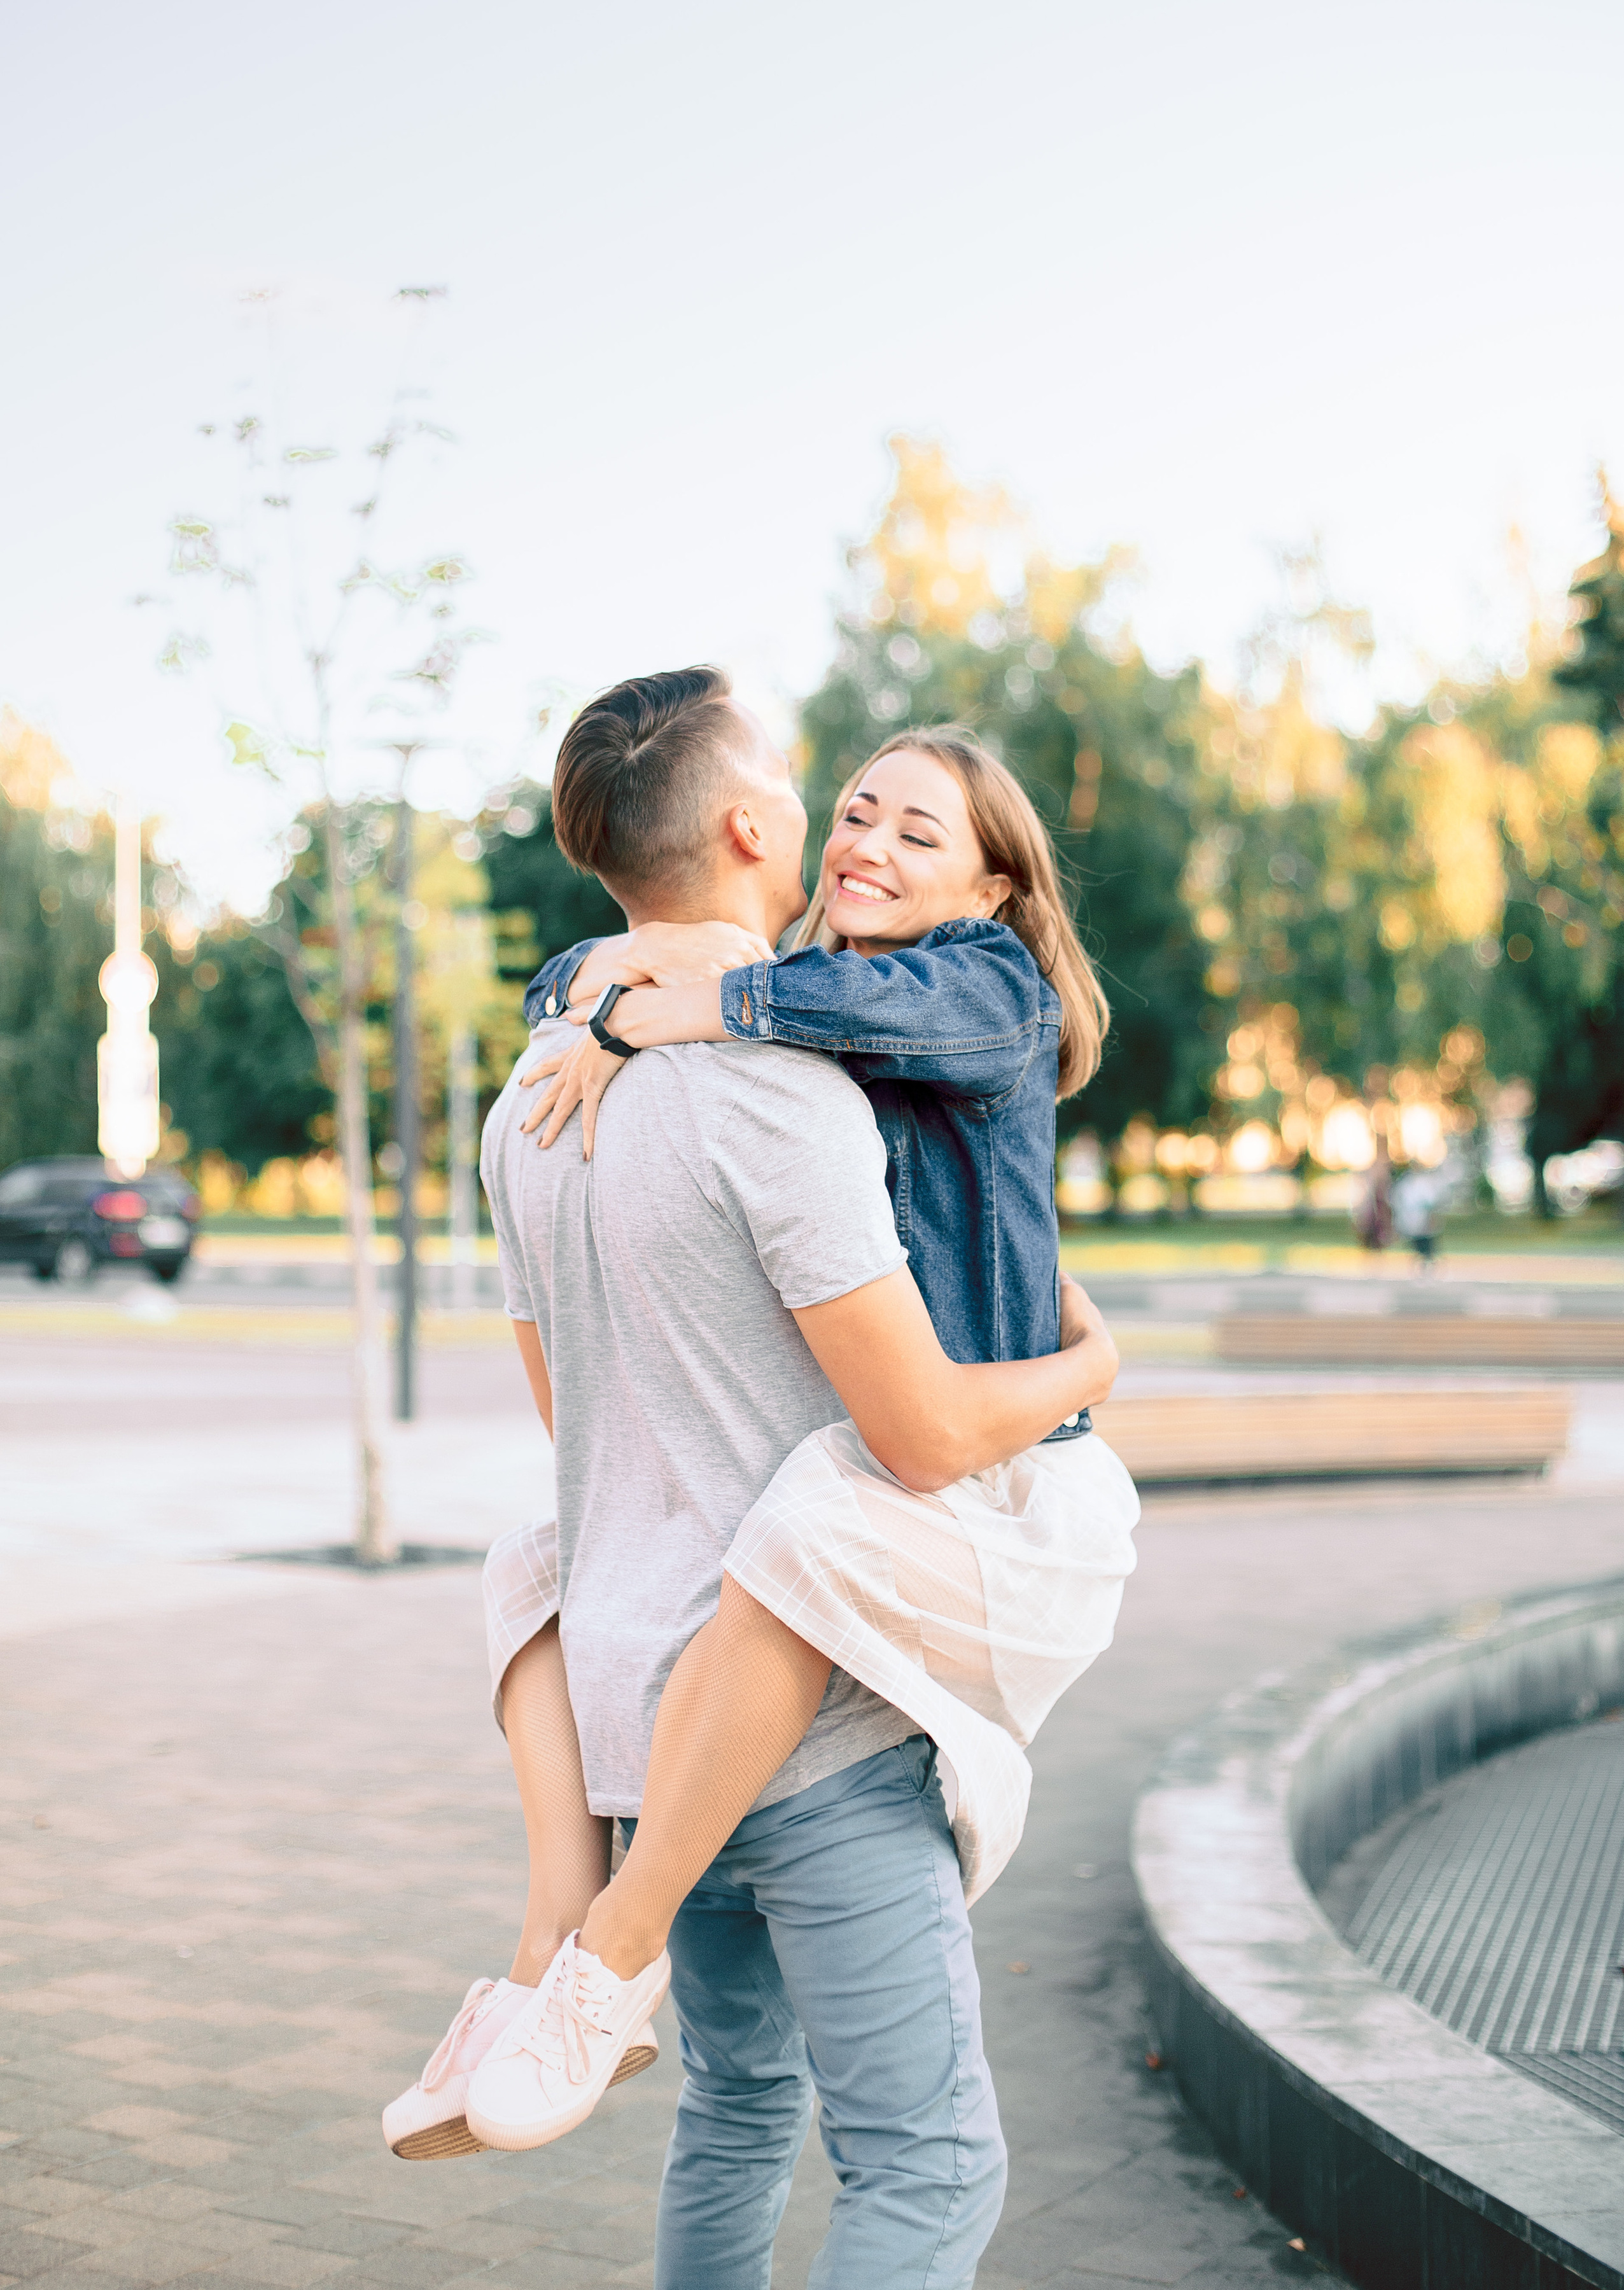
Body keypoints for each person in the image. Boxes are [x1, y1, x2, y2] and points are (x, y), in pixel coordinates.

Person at [384, 673, 1132, 2289]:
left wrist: (613, 996)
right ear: (750, 825)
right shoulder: (787, 1094)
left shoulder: (538, 1090)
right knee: (928, 2168)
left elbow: (574, 1417)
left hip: (641, 1725)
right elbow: (919, 1437)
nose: (849, 828)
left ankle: (565, 1945)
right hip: (809, 1729)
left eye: (913, 826)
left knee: (735, 2113)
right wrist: (1087, 1369)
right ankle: (587, 1954)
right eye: (831, 796)